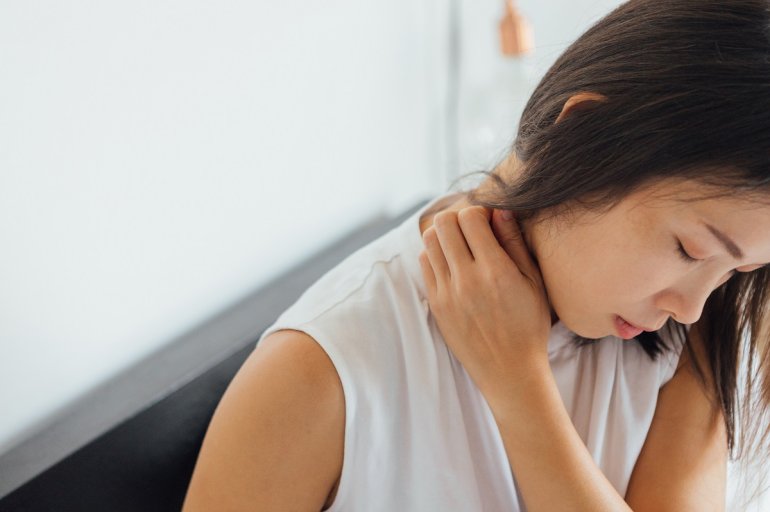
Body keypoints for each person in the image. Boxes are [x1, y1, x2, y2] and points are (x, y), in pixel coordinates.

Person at [181, 0, 770, 510]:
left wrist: (518, 383)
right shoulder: (320, 375)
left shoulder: (691, 336)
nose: (693, 306)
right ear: (581, 138)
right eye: (688, 249)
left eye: (738, 270)